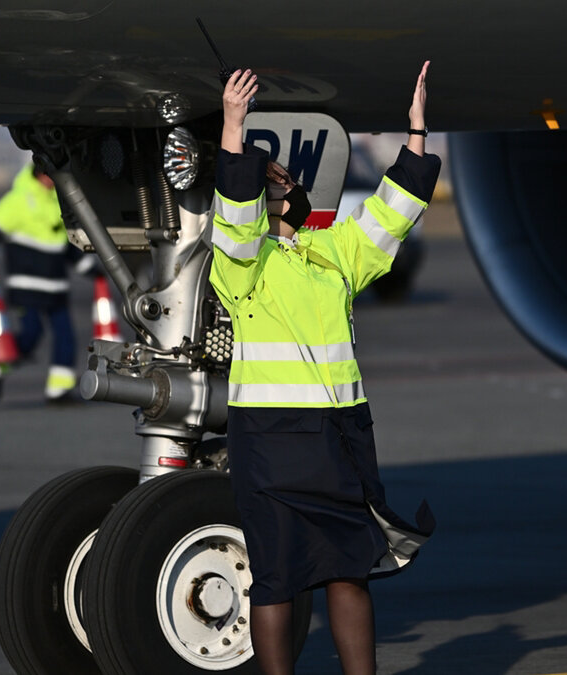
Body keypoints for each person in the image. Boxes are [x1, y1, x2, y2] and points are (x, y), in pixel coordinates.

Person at [209, 61, 439, 674]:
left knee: (348, 569)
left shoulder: (333, 251)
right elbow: (232, 213)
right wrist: (234, 127)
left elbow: (394, 213)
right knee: (277, 579)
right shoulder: (241, 264)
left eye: (282, 174)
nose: (276, 178)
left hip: (338, 435)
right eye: (267, 177)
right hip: (272, 440)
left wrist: (416, 134)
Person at [0, 163, 99, 402]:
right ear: (38, 174)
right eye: (48, 174)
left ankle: (59, 390)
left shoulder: (58, 202)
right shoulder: (18, 200)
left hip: (56, 287)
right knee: (31, 335)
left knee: (66, 337)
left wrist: (91, 270)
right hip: (26, 286)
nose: (51, 179)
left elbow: (66, 245)